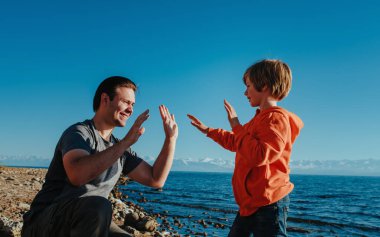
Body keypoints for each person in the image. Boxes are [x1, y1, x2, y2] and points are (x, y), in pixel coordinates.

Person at [22, 76, 178, 237]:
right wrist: (125, 143)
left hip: (91, 221)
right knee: (99, 206)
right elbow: (77, 175)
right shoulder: (79, 133)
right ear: (105, 99)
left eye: (132, 104)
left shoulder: (120, 148)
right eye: (125, 102)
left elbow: (155, 179)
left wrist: (170, 139)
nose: (131, 109)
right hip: (44, 223)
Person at [188, 59, 303, 237]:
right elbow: (238, 142)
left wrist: (235, 123)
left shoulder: (275, 119)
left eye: (248, 86)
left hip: (269, 202)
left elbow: (260, 155)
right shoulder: (259, 119)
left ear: (264, 85)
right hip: (251, 203)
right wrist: (209, 131)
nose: (245, 92)